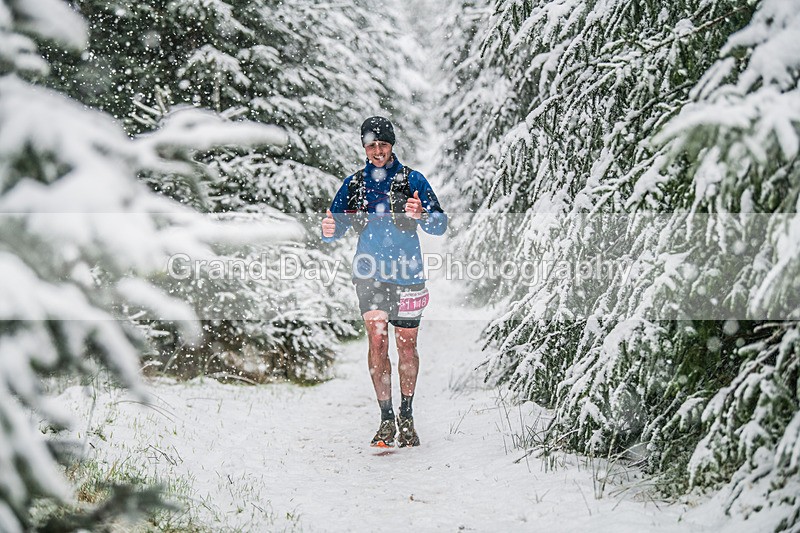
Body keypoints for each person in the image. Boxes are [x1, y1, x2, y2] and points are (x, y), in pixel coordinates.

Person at [321, 116, 447, 447]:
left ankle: (407, 416)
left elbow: (439, 225)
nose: (378, 151)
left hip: (408, 275)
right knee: (377, 341)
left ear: (392, 145)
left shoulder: (413, 180)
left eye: (383, 144)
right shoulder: (354, 185)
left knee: (406, 346)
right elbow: (334, 228)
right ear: (364, 147)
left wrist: (423, 215)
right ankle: (386, 419)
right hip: (369, 275)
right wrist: (329, 229)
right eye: (371, 145)